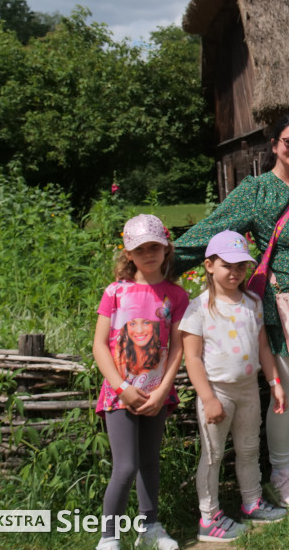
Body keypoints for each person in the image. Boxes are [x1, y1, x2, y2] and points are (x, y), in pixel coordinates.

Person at [174, 112, 289, 507]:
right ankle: (282, 472)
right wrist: (161, 262)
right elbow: (213, 228)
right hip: (285, 307)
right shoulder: (256, 191)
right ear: (274, 144)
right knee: (288, 392)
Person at [180, 231, 288, 542]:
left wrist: (274, 382)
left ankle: (252, 502)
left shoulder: (252, 303)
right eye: (228, 265)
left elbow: (263, 348)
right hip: (217, 392)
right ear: (209, 265)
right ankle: (208, 517)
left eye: (241, 266)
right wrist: (208, 398)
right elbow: (193, 358)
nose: (235, 272)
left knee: (249, 449)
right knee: (213, 455)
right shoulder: (198, 308)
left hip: (248, 390)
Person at [92, 214, 188, 550]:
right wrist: (122, 387)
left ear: (165, 249)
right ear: (128, 254)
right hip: (120, 393)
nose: (148, 254)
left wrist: (163, 390)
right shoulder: (115, 292)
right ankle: (109, 536)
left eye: (154, 247)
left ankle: (150, 526)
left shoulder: (176, 295)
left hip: (157, 394)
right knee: (127, 465)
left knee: (149, 461)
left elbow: (178, 347)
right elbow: (99, 345)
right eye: (140, 249)